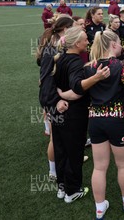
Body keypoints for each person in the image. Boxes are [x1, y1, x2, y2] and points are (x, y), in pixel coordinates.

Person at [58, 30, 124, 219]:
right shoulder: (122, 65)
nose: (122, 46)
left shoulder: (88, 67)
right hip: (118, 122)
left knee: (99, 167)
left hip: (96, 122)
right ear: (113, 45)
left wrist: (59, 95)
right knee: (123, 165)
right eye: (119, 43)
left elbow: (76, 93)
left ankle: (100, 207)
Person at [51, 27, 110, 203]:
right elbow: (77, 87)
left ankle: (62, 188)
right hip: (74, 113)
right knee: (74, 152)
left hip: (58, 111)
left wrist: (59, 96)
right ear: (77, 43)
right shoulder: (75, 61)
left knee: (61, 150)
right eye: (85, 39)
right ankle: (72, 191)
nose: (88, 42)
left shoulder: (60, 58)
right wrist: (96, 78)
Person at [36, 17, 75, 182]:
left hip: (56, 98)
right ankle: (54, 172)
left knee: (63, 136)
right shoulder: (52, 50)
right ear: (65, 29)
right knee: (55, 138)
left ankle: (62, 166)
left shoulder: (58, 47)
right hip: (53, 100)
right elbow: (46, 80)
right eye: (74, 28)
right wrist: (54, 100)